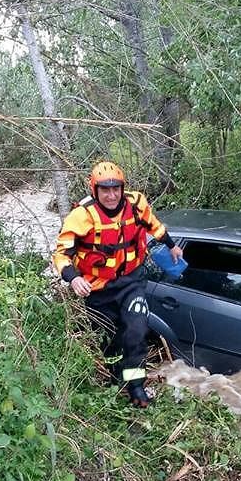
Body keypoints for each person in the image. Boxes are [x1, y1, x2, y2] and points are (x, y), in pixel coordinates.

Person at [51, 161, 183, 408]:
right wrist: (74, 277)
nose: (111, 195)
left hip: (131, 282)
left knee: (136, 330)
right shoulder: (82, 217)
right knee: (110, 341)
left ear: (122, 188)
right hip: (98, 289)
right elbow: (61, 254)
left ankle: (135, 386)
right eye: (105, 190)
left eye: (116, 189)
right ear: (95, 190)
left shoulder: (136, 204)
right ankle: (115, 379)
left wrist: (172, 244)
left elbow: (154, 225)